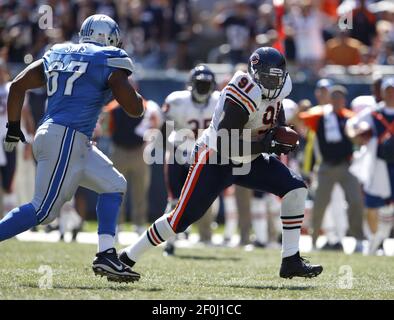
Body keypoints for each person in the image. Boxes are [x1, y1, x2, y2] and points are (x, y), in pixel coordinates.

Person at [120, 47, 323, 280]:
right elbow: (227, 144)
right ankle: (127, 257)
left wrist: (281, 134)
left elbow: (275, 117)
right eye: (267, 76)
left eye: (277, 76)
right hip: (215, 157)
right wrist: (267, 146)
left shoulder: (280, 89)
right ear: (254, 74)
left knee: (296, 189)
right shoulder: (242, 92)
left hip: (249, 158)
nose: (273, 82)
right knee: (180, 219)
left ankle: (291, 260)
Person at [0, 14, 144, 283]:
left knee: (114, 184)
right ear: (110, 37)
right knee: (43, 211)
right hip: (67, 136)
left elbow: (18, 85)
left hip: (62, 136)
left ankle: (106, 255)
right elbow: (133, 108)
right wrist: (137, 99)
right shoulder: (109, 56)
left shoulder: (59, 51)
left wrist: (13, 126)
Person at [161, 64, 220, 255]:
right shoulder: (177, 101)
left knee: (204, 199)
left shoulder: (219, 101)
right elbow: (165, 129)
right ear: (191, 84)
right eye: (200, 83)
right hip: (179, 153)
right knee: (174, 200)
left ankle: (204, 235)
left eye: (206, 84)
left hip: (205, 156)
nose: (202, 87)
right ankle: (170, 242)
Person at [298, 85, 364, 251]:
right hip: (326, 167)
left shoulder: (350, 117)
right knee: (320, 205)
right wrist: (301, 110)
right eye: (333, 97)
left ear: (344, 100)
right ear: (329, 99)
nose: (336, 101)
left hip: (346, 166)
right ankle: (313, 240)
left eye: (339, 98)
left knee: (356, 201)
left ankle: (358, 239)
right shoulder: (320, 115)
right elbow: (299, 119)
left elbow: (360, 137)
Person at [346, 76, 394, 255]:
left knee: (388, 208)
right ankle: (374, 241)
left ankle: (381, 238)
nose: (390, 94)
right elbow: (352, 125)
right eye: (387, 91)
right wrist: (355, 135)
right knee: (372, 205)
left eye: (392, 91)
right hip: (378, 164)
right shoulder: (374, 113)